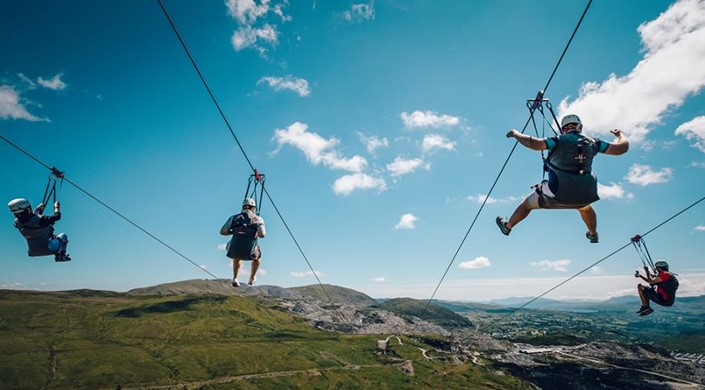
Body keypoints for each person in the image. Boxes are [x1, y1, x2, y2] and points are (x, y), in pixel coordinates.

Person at [496, 114, 629, 243]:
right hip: (584, 195)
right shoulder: (594, 142)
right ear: (580, 127)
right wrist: (620, 134)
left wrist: (516, 134)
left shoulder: (557, 140)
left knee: (527, 205)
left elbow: (533, 143)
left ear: (564, 129)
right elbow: (622, 148)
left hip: (556, 193)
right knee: (585, 208)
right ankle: (593, 234)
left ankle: (507, 227)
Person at [220, 198, 266, 287]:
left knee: (236, 254)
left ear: (243, 207)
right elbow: (262, 235)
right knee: (257, 258)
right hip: (250, 253)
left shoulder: (233, 218)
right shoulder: (258, 219)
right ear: (253, 208)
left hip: (233, 251)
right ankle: (252, 278)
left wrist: (233, 231)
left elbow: (222, 232)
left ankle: (235, 278)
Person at [8, 198, 70, 262]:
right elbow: (57, 216)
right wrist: (56, 207)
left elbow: (28, 220)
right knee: (63, 236)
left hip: (33, 252)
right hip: (49, 249)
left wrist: (37, 209)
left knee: (50, 237)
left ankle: (59, 254)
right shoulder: (41, 220)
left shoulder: (17, 223)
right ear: (28, 209)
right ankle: (61, 256)